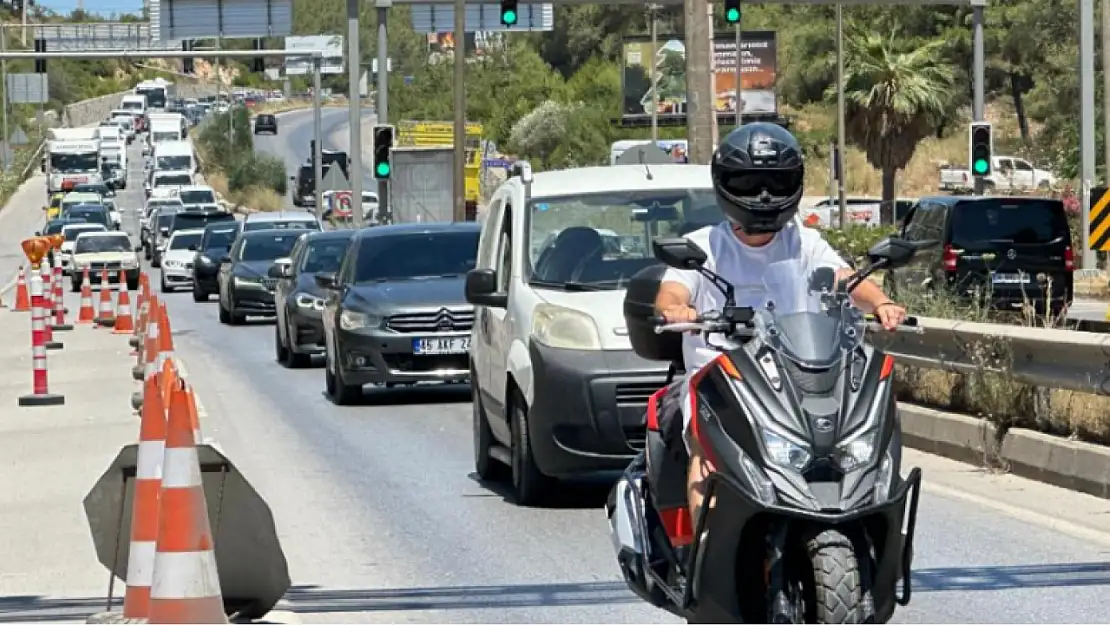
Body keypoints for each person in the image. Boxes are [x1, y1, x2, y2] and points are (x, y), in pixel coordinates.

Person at [651, 122, 908, 528]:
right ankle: (706, 548)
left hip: (794, 375)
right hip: (719, 376)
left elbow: (844, 278)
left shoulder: (803, 242)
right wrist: (677, 311)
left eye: (775, 183)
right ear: (726, 186)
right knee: (706, 451)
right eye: (750, 183)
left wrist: (881, 302)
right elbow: (671, 294)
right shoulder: (704, 246)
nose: (764, 195)